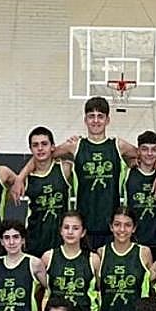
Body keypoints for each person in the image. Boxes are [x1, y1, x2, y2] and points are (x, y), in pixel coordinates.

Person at [17, 97, 137, 250]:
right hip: (82, 225)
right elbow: (43, 155)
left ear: (107, 120)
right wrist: (21, 177)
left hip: (110, 225)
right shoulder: (75, 145)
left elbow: (146, 155)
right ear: (85, 120)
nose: (95, 121)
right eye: (91, 116)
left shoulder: (118, 145)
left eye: (100, 116)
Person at [38, 211, 101, 311]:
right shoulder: (48, 257)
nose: (70, 232)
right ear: (60, 230)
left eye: (75, 228)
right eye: (66, 227)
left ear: (83, 232)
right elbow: (39, 289)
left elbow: (100, 289)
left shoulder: (93, 259)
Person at [97, 207, 153, 311]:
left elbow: (151, 287)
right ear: (111, 227)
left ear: (134, 228)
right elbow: (98, 288)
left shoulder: (144, 252)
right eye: (117, 224)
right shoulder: (101, 253)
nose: (122, 229)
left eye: (127, 225)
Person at [20, 126, 74, 257]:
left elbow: (74, 149)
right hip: (35, 239)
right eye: (35, 145)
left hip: (61, 240)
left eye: (44, 144)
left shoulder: (65, 169)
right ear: (30, 149)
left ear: (52, 147)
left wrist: (68, 144)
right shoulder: (26, 178)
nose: (40, 148)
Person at [123, 131, 156, 260]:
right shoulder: (127, 173)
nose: (149, 153)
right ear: (138, 151)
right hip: (133, 240)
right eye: (144, 149)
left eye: (154, 150)